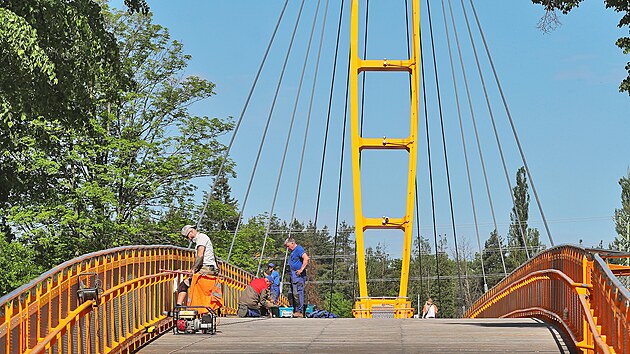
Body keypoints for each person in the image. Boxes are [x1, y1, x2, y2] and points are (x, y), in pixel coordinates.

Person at [176, 225, 220, 306]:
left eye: (187, 236)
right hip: (208, 268)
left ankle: (178, 309)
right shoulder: (201, 238)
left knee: (184, 285)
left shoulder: (201, 238)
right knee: (188, 285)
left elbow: (200, 255)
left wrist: (193, 269)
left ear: (191, 231)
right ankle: (181, 308)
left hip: (206, 269)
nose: (188, 239)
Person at [285, 237, 309, 318]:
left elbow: (306, 258)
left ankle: (300, 311)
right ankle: (295, 310)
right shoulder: (292, 251)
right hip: (292, 276)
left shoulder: (299, 249)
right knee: (291, 294)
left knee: (298, 293)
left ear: (292, 243)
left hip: (298, 276)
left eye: (288, 246)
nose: (287, 248)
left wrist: (301, 269)